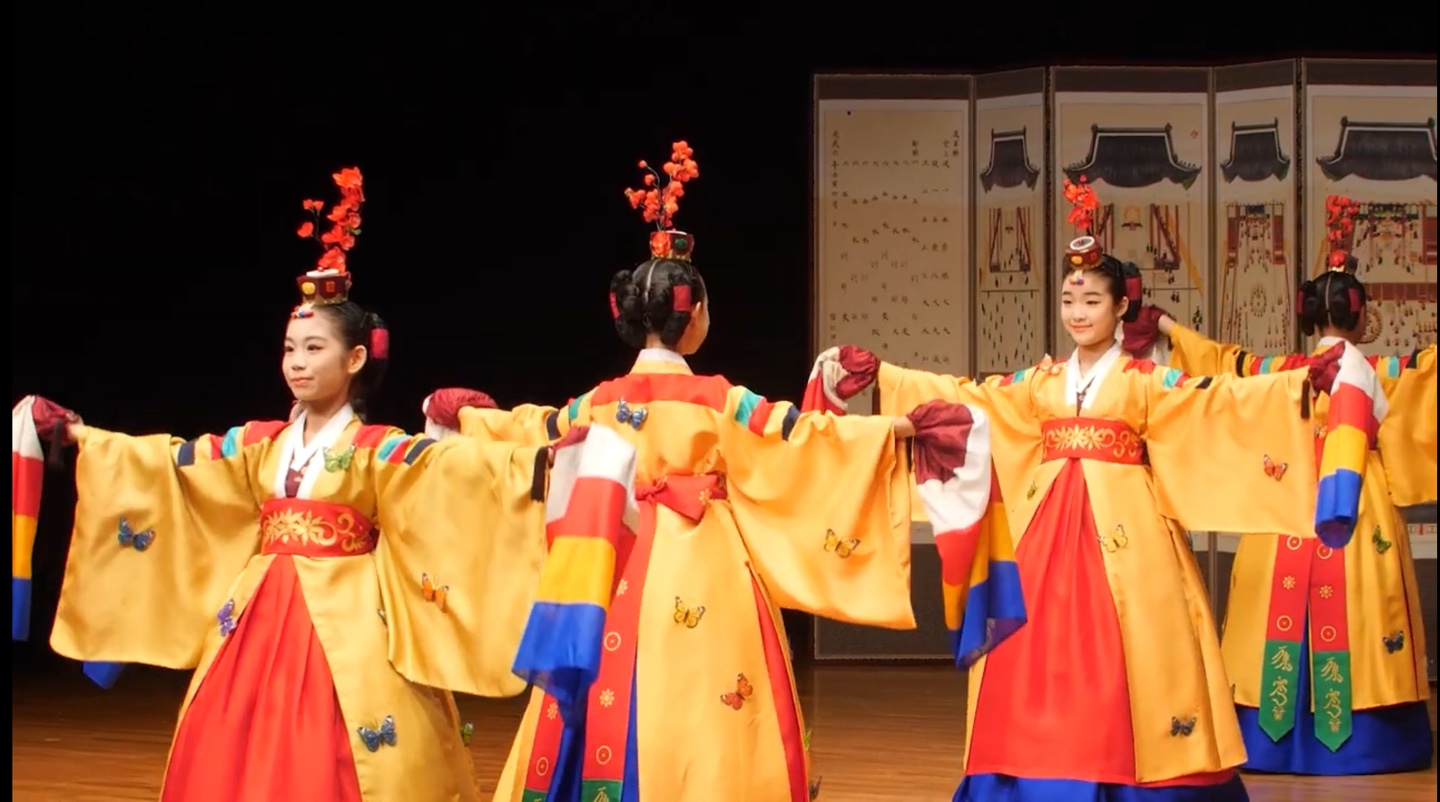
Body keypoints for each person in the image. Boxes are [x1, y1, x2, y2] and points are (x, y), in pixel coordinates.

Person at [422, 141, 1024, 802]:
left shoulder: (595, 403)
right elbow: (800, 436)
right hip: (702, 563)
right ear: (694, 319)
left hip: (611, 556)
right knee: (705, 706)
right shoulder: (718, 399)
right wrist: (902, 429)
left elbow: (530, 431)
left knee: (605, 680)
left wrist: (466, 416)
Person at [809, 178, 1362, 802]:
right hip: (1044, 529)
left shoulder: (1146, 379)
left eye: (1092, 301)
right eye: (1070, 300)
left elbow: (1218, 400)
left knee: (1136, 648)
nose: (1078, 313)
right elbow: (968, 398)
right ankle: (1027, 767)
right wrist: (882, 374)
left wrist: (1296, 384)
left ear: (1121, 308)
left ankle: (1136, 771)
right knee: (1027, 645)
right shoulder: (1041, 382)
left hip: (1130, 530)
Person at [10, 167, 553, 802]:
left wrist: (541, 461)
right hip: (258, 610)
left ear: (355, 359)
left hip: (353, 620)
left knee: (342, 751)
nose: (297, 362)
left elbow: (456, 472)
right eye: (291, 348)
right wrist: (77, 433)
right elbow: (174, 462)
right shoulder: (261, 441)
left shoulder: (377, 448)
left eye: (314, 349)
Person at [1123, 194, 1437, 776]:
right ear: (1360, 314)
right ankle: (1368, 740)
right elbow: (1429, 377)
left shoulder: (1279, 373)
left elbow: (1223, 366)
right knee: (1364, 608)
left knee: (1271, 606)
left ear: (1308, 314)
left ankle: (1268, 739)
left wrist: (1165, 325)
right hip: (1356, 498)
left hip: (1286, 493)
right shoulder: (1381, 373)